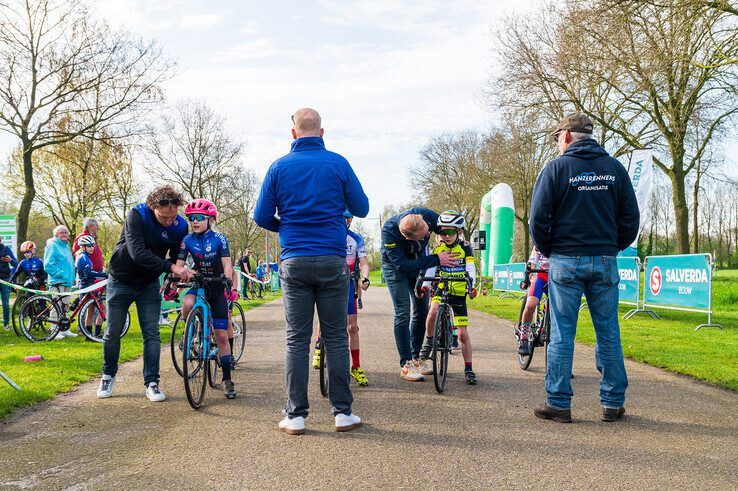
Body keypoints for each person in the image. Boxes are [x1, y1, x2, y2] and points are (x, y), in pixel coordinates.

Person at [254, 107, 369, 435]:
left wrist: (288, 228)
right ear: (321, 132)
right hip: (333, 259)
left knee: (296, 339)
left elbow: (262, 216)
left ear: (293, 133)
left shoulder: (278, 167)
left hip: (295, 260)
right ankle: (343, 413)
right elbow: (361, 207)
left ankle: (296, 416)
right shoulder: (337, 163)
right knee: (335, 335)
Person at [529, 112, 639, 423]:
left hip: (566, 259)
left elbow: (538, 219)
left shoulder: (556, 168)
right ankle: (613, 403)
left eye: (556, 139)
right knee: (608, 331)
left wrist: (551, 249)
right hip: (604, 258)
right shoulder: (615, 168)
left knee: (563, 332)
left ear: (565, 137)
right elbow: (631, 218)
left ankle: (559, 404)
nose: (556, 144)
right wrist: (611, 246)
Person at [97, 185, 192, 401]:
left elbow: (178, 256)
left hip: (148, 284)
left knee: (152, 333)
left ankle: (152, 383)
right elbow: (137, 253)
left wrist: (175, 279)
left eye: (172, 216)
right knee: (113, 331)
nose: (169, 221)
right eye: (163, 217)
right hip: (121, 279)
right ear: (153, 208)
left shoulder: (180, 225)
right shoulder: (137, 215)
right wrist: (171, 268)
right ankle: (108, 375)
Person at [380, 208, 459, 381]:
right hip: (396, 268)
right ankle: (406, 364)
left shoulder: (425, 215)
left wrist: (461, 244)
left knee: (422, 310)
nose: (426, 237)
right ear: (410, 238)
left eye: (427, 232)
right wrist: (436, 259)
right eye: (423, 237)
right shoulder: (388, 232)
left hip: (420, 263)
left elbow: (447, 229)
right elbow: (403, 266)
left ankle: (417, 358)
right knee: (402, 312)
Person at [175, 198, 238, 399]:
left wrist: (228, 280)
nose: (195, 221)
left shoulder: (220, 238)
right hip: (200, 281)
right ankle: (189, 333)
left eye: (200, 218)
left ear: (210, 220)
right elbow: (180, 264)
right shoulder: (187, 240)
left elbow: (227, 264)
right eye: (192, 218)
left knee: (221, 336)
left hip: (217, 285)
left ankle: (227, 379)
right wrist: (175, 281)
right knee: (187, 303)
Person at [416, 211, 478, 384]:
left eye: (450, 232)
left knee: (463, 334)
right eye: (442, 232)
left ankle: (469, 368)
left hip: (458, 291)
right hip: (442, 287)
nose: (446, 235)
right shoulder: (438, 248)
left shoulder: (465, 248)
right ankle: (428, 344)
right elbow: (430, 270)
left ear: (458, 232)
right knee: (432, 311)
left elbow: (471, 268)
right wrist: (424, 286)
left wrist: (470, 285)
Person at [312, 210, 371, 386]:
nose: (344, 221)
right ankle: (318, 346)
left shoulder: (356, 238)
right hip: (328, 282)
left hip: (347, 284)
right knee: (324, 317)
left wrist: (365, 277)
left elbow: (364, 263)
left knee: (352, 327)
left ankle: (356, 367)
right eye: (341, 217)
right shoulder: (325, 234)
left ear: (351, 220)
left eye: (347, 218)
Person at [44, 225, 76, 337]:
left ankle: (64, 329)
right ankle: (54, 329)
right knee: (56, 305)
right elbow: (48, 265)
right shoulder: (52, 245)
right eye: (61, 233)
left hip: (67, 281)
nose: (64, 235)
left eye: (66, 233)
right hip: (57, 281)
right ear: (56, 234)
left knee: (65, 305)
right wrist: (60, 274)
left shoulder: (66, 246)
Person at [517, 246, 549, 356]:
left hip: (557, 277)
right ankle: (523, 337)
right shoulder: (540, 237)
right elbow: (533, 261)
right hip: (542, 276)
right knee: (530, 305)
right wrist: (529, 276)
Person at [75, 235, 108, 339]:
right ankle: (95, 333)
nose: (91, 248)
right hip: (87, 286)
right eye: (89, 246)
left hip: (87, 285)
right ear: (83, 247)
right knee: (103, 309)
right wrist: (104, 275)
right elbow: (89, 273)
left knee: (91, 311)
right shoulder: (83, 257)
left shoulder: (85, 256)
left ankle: (89, 335)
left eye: (92, 245)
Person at [0, 236, 19, 331]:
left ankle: (6, 323)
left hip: (5, 278)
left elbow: (16, 264)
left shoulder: (6, 248)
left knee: (6, 303)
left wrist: (10, 260)